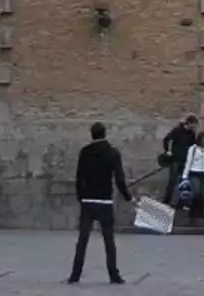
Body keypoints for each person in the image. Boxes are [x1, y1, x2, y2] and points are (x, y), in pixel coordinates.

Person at [68, 122, 132, 285]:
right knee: (109, 241)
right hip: (104, 201)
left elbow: (79, 177)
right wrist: (128, 197)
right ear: (105, 133)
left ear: (92, 134)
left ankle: (75, 274)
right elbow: (119, 179)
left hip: (88, 201)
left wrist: (81, 197)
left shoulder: (85, 152)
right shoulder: (112, 153)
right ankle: (113, 275)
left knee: (82, 240)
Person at [161, 114, 199, 205]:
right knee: (172, 181)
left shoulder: (192, 134)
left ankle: (182, 203)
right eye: (194, 125)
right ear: (189, 123)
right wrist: (167, 151)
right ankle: (166, 201)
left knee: (185, 183)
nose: (194, 127)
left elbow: (193, 146)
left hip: (186, 162)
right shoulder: (177, 130)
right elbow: (166, 139)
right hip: (176, 160)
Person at [181, 132, 204, 221]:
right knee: (196, 193)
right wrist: (185, 175)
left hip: (203, 173)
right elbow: (188, 162)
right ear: (200, 139)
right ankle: (192, 213)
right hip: (194, 172)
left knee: (202, 194)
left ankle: (201, 212)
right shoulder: (193, 149)